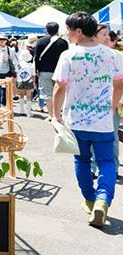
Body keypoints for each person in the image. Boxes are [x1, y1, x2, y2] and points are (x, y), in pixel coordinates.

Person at [52, 12, 123, 227]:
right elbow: (119, 85)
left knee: (81, 161)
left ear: (79, 31)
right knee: (107, 162)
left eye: (69, 30)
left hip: (77, 120)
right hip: (102, 121)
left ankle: (90, 199)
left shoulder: (68, 55)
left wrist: (55, 116)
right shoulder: (112, 55)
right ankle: (103, 199)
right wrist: (111, 107)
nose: (67, 33)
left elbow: (60, 86)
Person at [92, 24, 123, 178]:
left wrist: (116, 100)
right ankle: (93, 167)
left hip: (113, 101)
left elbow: (120, 82)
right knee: (92, 134)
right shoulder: (87, 55)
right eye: (102, 34)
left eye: (107, 35)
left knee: (112, 135)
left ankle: (114, 168)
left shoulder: (116, 55)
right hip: (93, 102)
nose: (106, 38)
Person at [35, 22, 69, 121]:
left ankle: (50, 115)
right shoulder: (63, 42)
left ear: (46, 30)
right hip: (60, 71)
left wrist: (37, 69)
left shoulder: (40, 41)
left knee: (47, 94)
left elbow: (36, 57)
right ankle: (58, 114)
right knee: (60, 91)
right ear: (58, 30)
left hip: (44, 71)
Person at [0, 33, 18, 108]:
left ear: (6, 41)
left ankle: (4, 104)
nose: (2, 41)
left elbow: (14, 61)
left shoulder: (10, 50)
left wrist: (9, 58)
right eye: (0, 40)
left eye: (4, 40)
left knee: (6, 90)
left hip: (7, 72)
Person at [15, 51, 35, 117]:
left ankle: (21, 110)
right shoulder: (31, 65)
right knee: (28, 96)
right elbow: (33, 75)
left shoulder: (18, 64)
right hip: (29, 81)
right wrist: (34, 83)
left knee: (21, 96)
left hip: (20, 80)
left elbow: (16, 73)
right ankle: (29, 112)